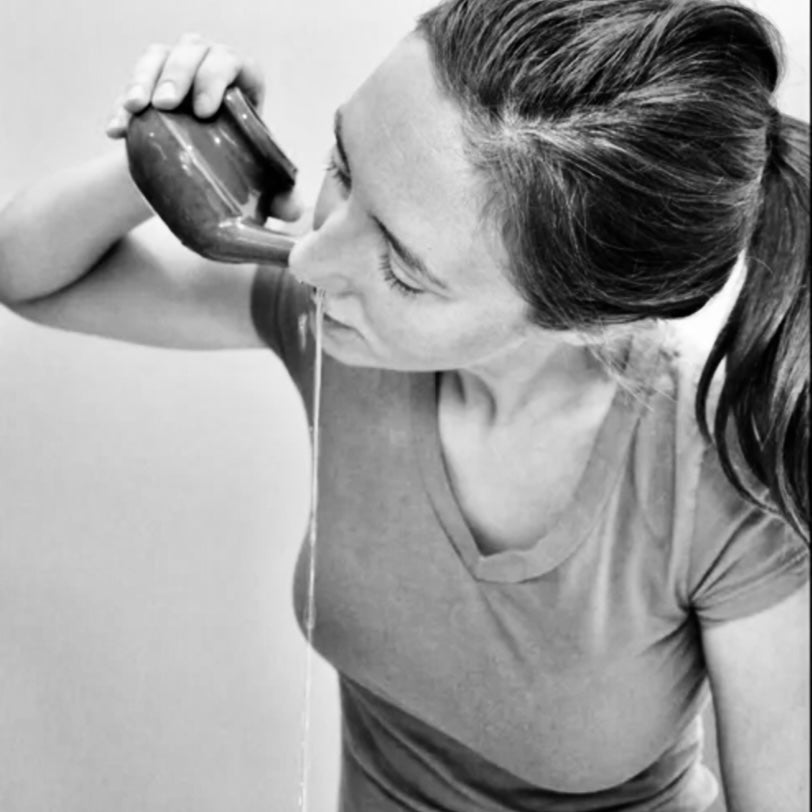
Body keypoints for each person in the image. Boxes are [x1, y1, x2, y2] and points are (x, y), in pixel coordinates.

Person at [0, 0, 808, 809]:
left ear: (585, 317)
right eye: (345, 165)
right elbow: (32, 276)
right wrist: (179, 145)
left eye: (407, 271)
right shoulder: (338, 315)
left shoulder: (727, 486)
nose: (316, 259)